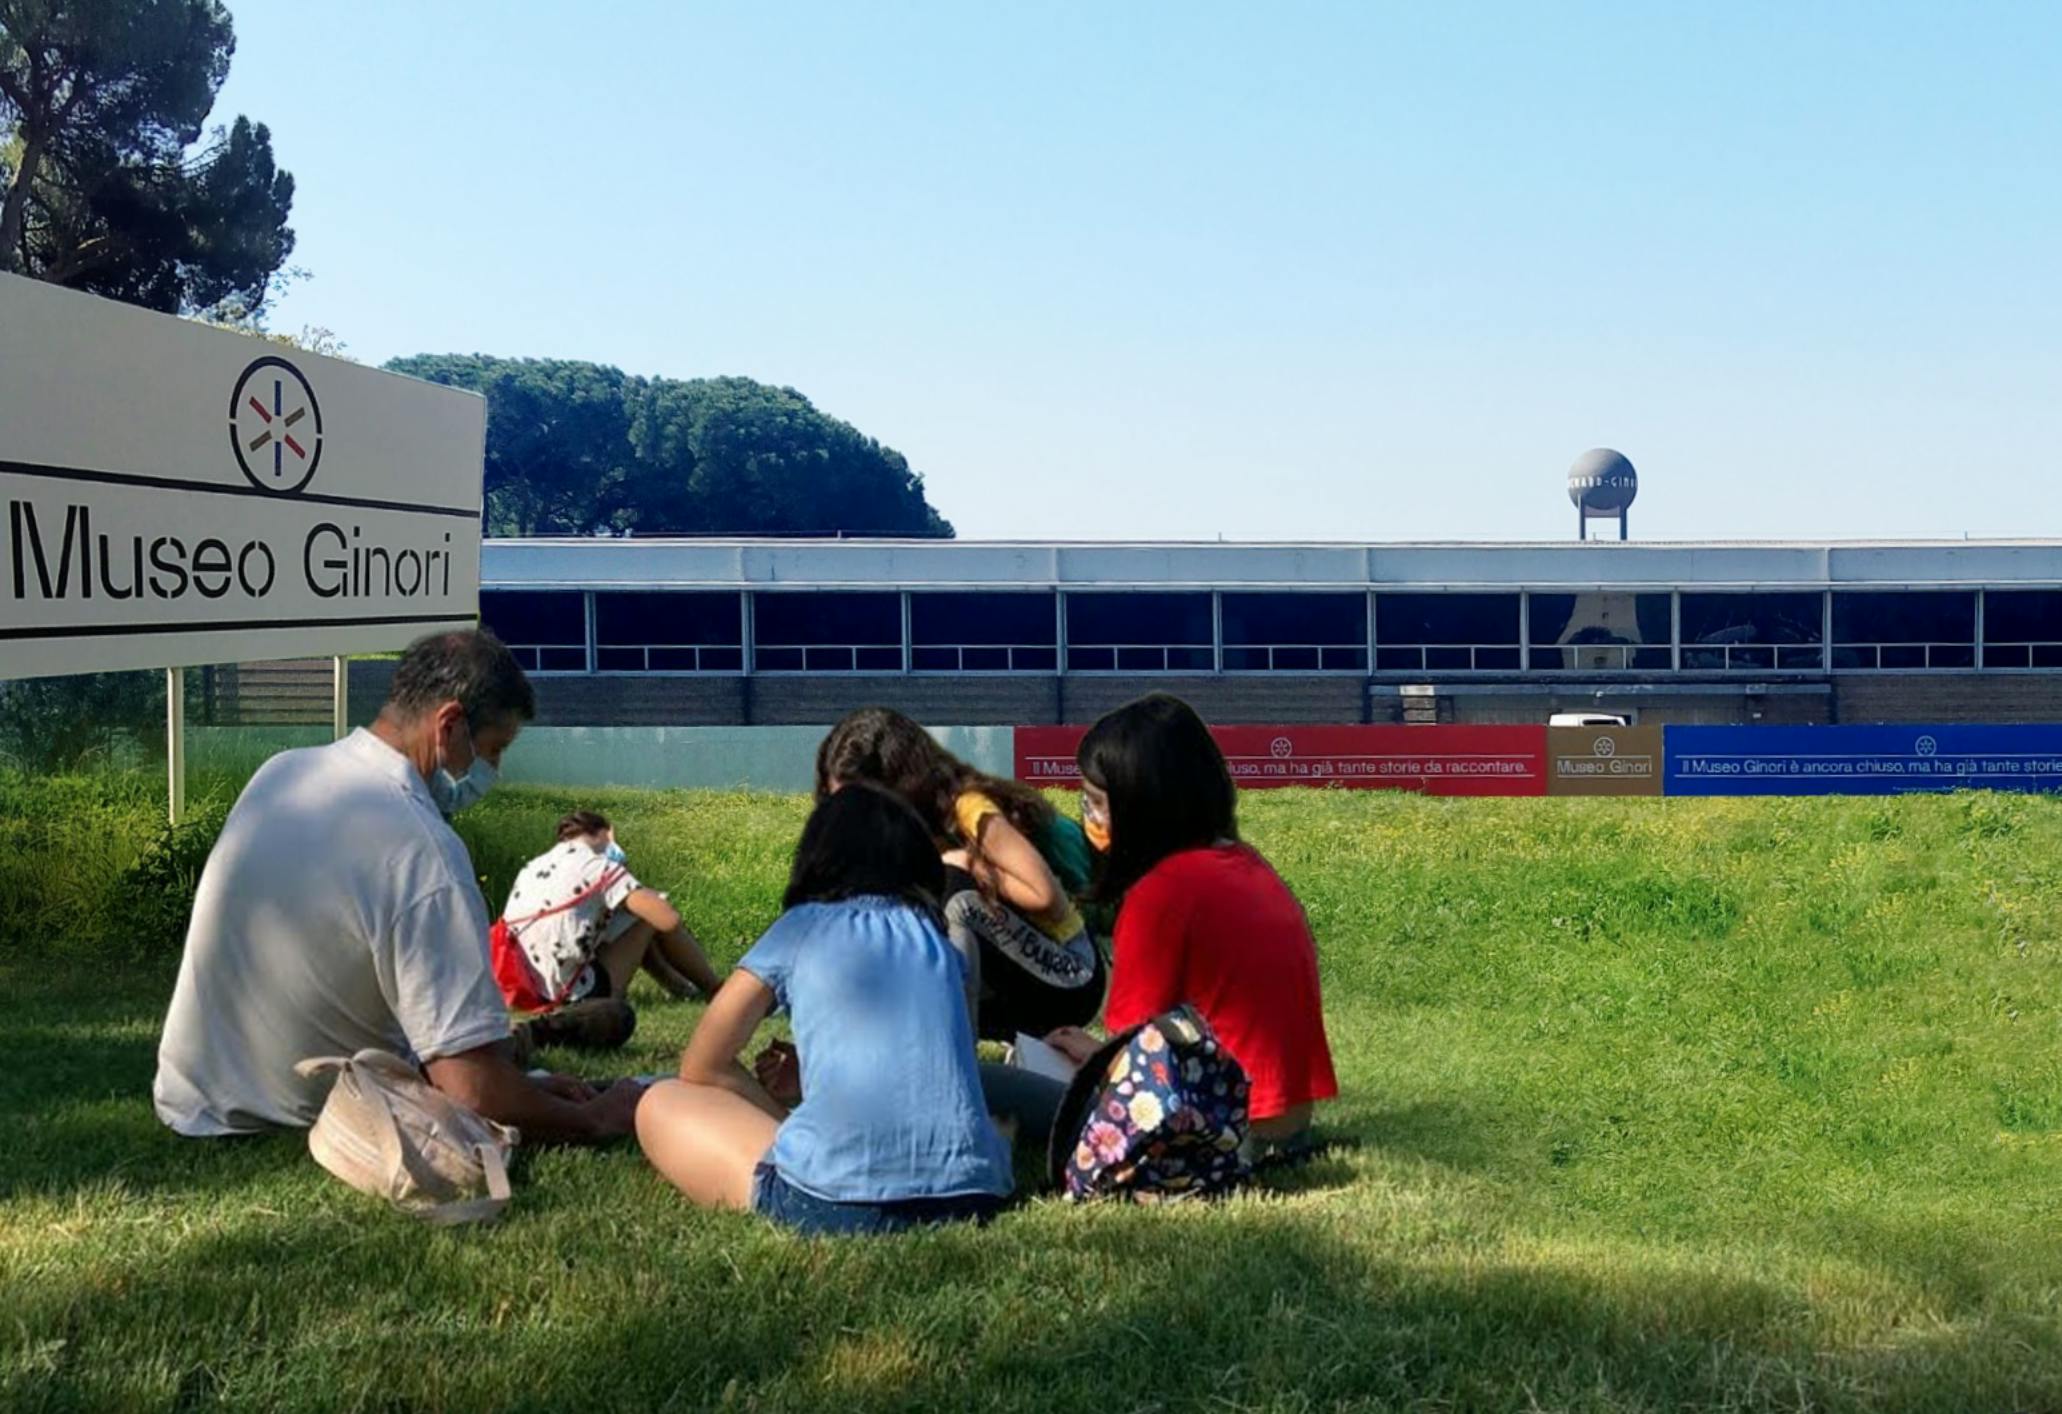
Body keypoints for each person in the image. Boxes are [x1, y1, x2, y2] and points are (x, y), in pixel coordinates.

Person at [153, 629, 643, 1144]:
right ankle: (537, 1042)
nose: (491, 772)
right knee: (495, 1064)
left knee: (498, 1056)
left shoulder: (281, 774)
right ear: (450, 725)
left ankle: (530, 1042)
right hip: (307, 1111)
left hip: (191, 1101)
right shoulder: (422, 846)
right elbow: (472, 1090)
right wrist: (597, 1118)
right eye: (493, 750)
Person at [636, 783, 1013, 1235]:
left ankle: (805, 1154)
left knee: (659, 1101)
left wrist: (785, 1121)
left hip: (836, 1202)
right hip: (974, 1196)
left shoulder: (800, 928)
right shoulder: (940, 947)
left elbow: (702, 1064)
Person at [1045, 693, 1338, 1158]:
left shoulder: (1159, 895)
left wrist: (1088, 1055)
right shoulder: (1245, 864)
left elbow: (1131, 1052)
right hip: (1286, 1121)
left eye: (1096, 803)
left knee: (1006, 1086)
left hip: (1218, 1131)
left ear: (1142, 804)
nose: (1089, 818)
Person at [814, 707, 1103, 1039]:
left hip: (1071, 973)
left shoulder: (967, 807)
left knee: (954, 889)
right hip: (1011, 984)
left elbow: (1046, 897)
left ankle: (956, 1061)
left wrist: (967, 862)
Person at [496, 810, 723, 1050]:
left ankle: (679, 987)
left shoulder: (532, 867)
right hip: (573, 993)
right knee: (648, 916)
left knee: (631, 918)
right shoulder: (599, 866)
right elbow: (667, 919)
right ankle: (713, 987)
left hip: (527, 985)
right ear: (603, 834)